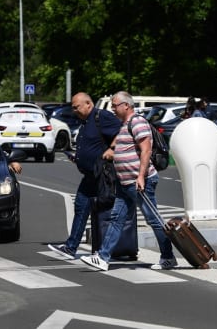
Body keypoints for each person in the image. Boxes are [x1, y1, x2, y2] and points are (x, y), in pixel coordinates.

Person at [82, 91, 178, 271]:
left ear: (126, 105)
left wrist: (141, 176)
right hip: (125, 183)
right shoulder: (125, 124)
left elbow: (146, 150)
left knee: (153, 219)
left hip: (139, 182)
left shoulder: (137, 122)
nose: (112, 109)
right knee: (116, 219)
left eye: (115, 105)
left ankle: (168, 256)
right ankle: (103, 257)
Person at [48, 92, 121, 260]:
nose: (74, 110)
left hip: (102, 176)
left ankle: (107, 250)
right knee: (81, 208)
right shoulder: (86, 121)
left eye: (76, 107)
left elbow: (122, 131)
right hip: (89, 176)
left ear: (88, 103)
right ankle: (71, 246)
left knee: (106, 212)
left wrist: (112, 149)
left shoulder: (101, 116)